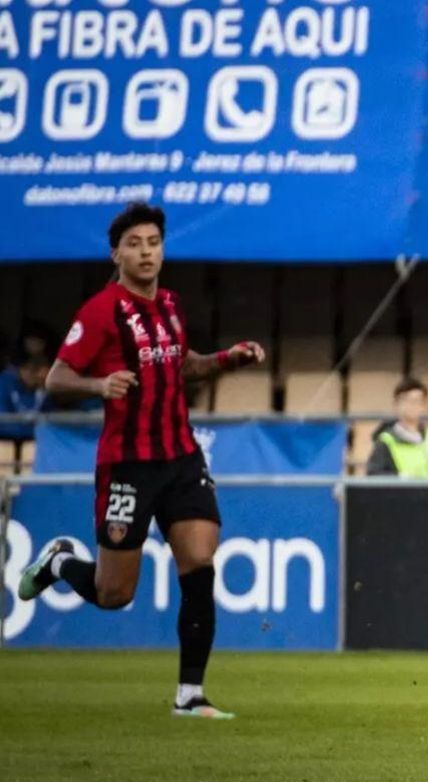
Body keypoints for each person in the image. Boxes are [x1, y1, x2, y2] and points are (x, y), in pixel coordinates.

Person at [15, 202, 267, 719]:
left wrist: (228, 359)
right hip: (128, 464)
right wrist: (98, 384)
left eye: (153, 242)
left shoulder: (170, 305)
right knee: (115, 594)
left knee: (199, 559)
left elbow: (183, 366)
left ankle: (190, 695)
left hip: (180, 455)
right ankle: (61, 561)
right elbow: (57, 378)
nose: (146, 251)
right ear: (117, 253)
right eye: (135, 244)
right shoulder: (101, 311)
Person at [365, 376, 428, 477]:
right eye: (408, 400)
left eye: (418, 401)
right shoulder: (386, 442)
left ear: (423, 406)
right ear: (396, 405)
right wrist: (399, 479)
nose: (413, 406)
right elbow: (375, 476)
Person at [0, 352, 51, 441]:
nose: (34, 375)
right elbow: (3, 421)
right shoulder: (5, 384)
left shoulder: (46, 389)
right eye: (30, 369)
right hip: (5, 439)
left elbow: (54, 420)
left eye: (37, 371)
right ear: (21, 369)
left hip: (35, 441)